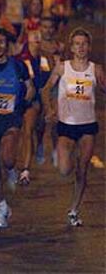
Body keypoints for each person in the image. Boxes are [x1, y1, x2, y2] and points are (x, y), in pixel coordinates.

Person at [42, 28, 105, 226]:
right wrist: (50, 109)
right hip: (66, 125)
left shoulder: (96, 69)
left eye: (84, 44)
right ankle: (58, 152)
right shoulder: (62, 68)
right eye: (77, 44)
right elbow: (45, 90)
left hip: (87, 125)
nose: (81, 48)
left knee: (82, 169)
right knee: (64, 170)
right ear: (71, 47)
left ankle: (74, 210)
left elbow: (104, 88)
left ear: (89, 46)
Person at [0, 28, 34, 228]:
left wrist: (23, 104)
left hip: (11, 119)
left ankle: (11, 168)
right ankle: (2, 206)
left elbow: (30, 88)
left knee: (8, 158)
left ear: (7, 45)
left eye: (2, 42)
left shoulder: (18, 66)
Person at [18, 30, 53, 184]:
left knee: (40, 126)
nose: (37, 44)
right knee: (27, 130)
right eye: (34, 41)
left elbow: (47, 79)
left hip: (39, 97)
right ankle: (25, 169)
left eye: (39, 41)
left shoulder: (44, 58)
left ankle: (39, 143)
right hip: (25, 100)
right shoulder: (21, 59)